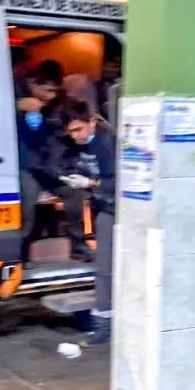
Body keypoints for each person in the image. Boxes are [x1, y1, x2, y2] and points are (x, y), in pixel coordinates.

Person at [16, 60, 92, 262]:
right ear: (33, 83)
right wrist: (17, 106)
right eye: (46, 90)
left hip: (53, 167)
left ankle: (78, 246)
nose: (50, 96)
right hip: (28, 167)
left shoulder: (63, 104)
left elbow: (77, 121)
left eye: (55, 91)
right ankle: (19, 254)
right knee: (27, 205)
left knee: (74, 194)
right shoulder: (15, 96)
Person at [54, 100, 116, 346]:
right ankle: (103, 326)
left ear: (92, 122)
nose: (75, 136)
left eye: (78, 129)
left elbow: (120, 182)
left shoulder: (109, 143)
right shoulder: (77, 146)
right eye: (71, 132)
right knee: (104, 270)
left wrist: (89, 184)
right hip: (106, 210)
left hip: (125, 211)